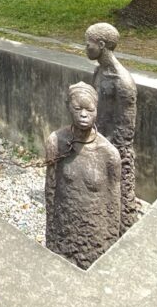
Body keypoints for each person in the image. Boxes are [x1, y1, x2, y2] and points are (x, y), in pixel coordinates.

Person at [44, 82, 121, 269]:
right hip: (64, 232)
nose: (84, 115)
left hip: (94, 236)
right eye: (77, 108)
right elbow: (50, 191)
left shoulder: (108, 154)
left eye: (89, 110)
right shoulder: (56, 142)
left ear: (97, 111)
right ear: (68, 107)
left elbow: (114, 205)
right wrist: (52, 231)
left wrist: (110, 241)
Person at [86, 22, 138, 231]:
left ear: (101, 44)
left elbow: (126, 131)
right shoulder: (99, 72)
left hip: (112, 148)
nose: (85, 49)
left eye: (88, 44)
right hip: (95, 139)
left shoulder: (123, 82)